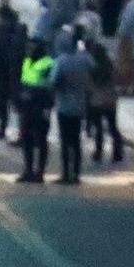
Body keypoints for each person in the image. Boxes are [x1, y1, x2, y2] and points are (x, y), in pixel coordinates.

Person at [51, 32, 94, 184]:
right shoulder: (85, 60)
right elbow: (94, 71)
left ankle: (65, 173)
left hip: (64, 104)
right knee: (76, 140)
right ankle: (76, 173)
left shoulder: (61, 61)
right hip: (80, 104)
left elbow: (54, 80)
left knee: (65, 140)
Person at [15, 40, 56, 183]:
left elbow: (51, 86)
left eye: (32, 48)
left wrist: (48, 106)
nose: (29, 50)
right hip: (27, 104)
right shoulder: (27, 61)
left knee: (41, 138)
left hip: (40, 104)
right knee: (26, 138)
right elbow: (23, 81)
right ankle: (28, 170)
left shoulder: (48, 63)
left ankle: (40, 172)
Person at [82, 32, 122, 163]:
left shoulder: (93, 66)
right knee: (113, 126)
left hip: (97, 99)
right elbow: (116, 77)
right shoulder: (109, 64)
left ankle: (99, 151)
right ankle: (117, 151)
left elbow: (88, 82)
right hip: (110, 99)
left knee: (98, 127)